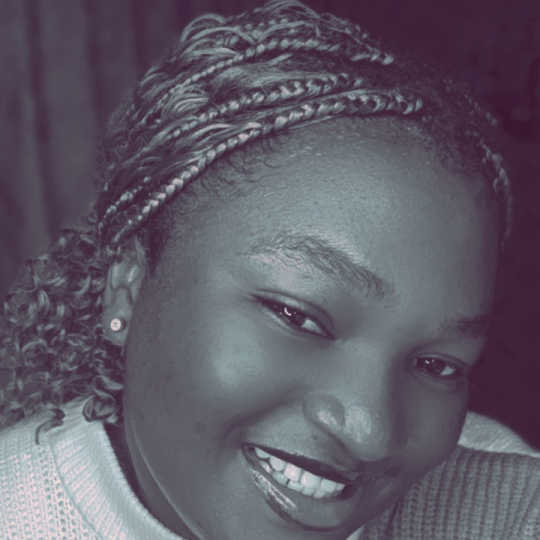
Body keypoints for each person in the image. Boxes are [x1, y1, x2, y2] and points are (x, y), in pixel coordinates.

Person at [0, 1, 538, 539]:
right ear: (128, 287)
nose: (370, 432)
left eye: (437, 365)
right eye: (297, 317)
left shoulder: (512, 513)